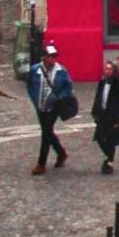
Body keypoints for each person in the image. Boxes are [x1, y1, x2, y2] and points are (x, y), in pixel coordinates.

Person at [28, 41, 74, 174]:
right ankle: (61, 153)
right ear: (44, 57)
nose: (53, 59)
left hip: (54, 107)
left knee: (46, 133)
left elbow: (68, 86)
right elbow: (30, 85)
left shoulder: (61, 71)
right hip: (40, 106)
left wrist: (60, 97)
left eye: (54, 56)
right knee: (47, 132)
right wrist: (35, 99)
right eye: (51, 56)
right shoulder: (35, 70)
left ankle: (41, 164)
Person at [92, 65, 119, 173]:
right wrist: (95, 111)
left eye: (109, 69)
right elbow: (98, 97)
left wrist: (116, 119)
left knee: (111, 139)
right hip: (102, 114)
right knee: (99, 138)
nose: (107, 71)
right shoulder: (102, 82)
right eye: (106, 69)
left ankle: (110, 161)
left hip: (112, 116)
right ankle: (109, 156)